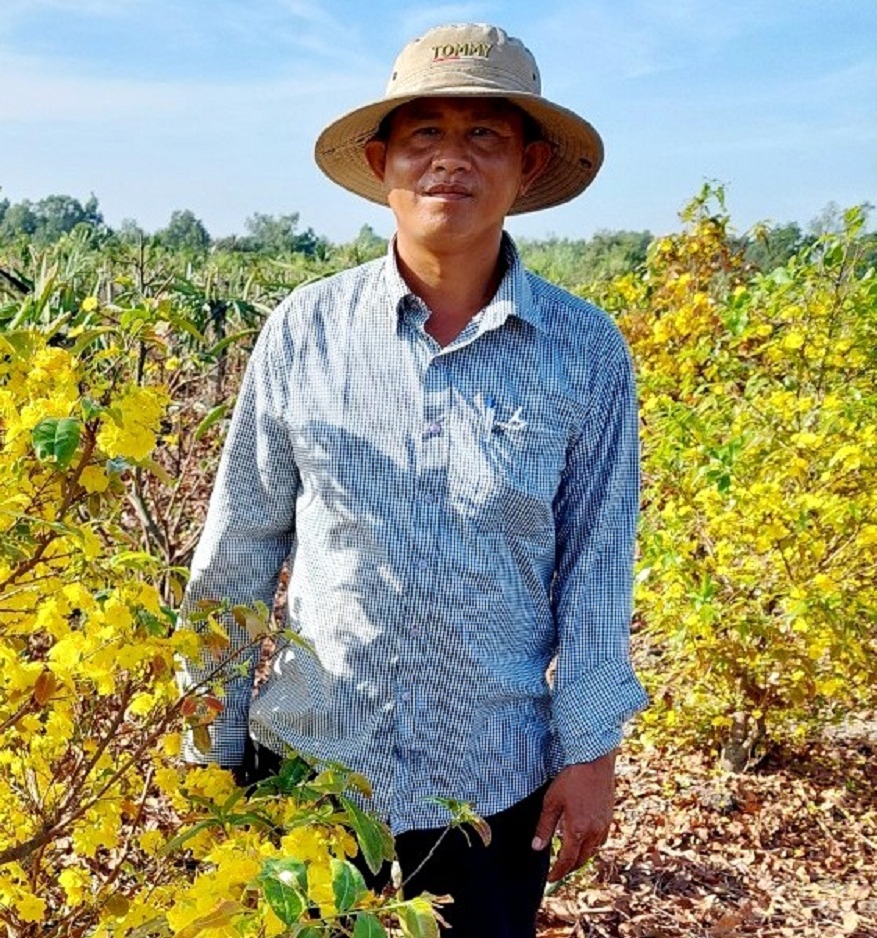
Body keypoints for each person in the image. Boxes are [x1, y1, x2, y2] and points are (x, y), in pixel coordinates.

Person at [177, 22, 648, 937]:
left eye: (485, 137)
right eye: (424, 134)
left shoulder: (585, 352)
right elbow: (238, 545)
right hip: (311, 771)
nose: (450, 163)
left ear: (527, 164)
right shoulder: (303, 331)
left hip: (493, 786)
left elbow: (597, 561)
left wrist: (591, 749)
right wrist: (208, 737)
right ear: (383, 159)